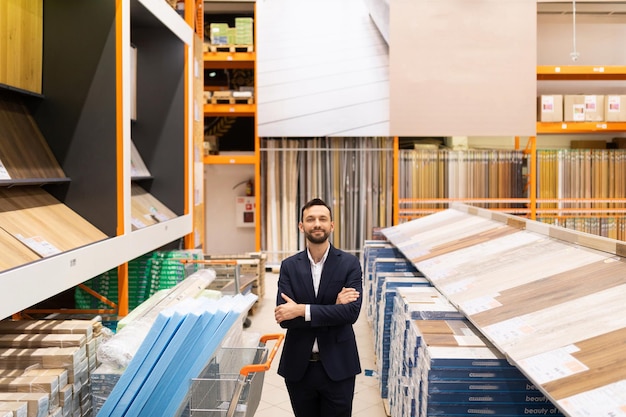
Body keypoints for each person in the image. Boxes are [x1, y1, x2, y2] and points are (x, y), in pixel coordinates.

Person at [274, 198, 363, 417]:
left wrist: (302, 310)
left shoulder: (349, 264)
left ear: (331, 225)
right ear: (301, 226)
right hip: (299, 367)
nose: (317, 224)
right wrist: (333, 308)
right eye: (310, 219)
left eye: (323, 219)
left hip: (338, 365)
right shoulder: (289, 266)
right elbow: (285, 318)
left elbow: (351, 313)